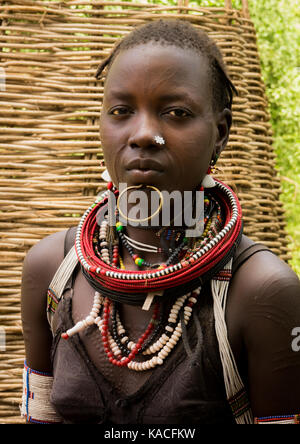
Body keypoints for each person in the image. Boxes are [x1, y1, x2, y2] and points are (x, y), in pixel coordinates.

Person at [20, 19, 300, 425]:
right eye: (121, 111)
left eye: (176, 113)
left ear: (220, 132)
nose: (145, 134)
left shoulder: (260, 292)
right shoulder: (52, 272)